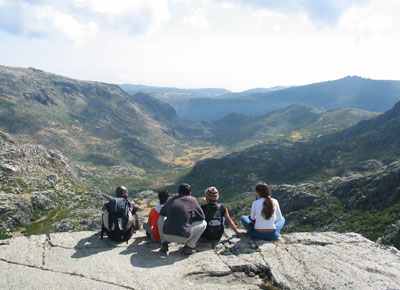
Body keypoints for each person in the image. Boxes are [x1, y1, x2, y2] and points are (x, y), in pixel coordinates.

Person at [158, 183, 206, 255]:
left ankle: (164, 244)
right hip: (183, 237)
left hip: (167, 235)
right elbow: (202, 217)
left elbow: (162, 212)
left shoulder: (172, 199)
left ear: (178, 192)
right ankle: (189, 247)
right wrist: (189, 219)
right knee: (204, 223)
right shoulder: (192, 200)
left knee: (161, 218)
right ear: (190, 193)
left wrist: (173, 216)